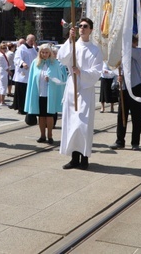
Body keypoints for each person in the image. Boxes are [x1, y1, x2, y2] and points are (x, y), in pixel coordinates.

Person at [57, 18, 103, 170]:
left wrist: (81, 72)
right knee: (71, 124)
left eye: (85, 26)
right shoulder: (73, 46)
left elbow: (97, 72)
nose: (82, 28)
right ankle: (74, 158)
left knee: (82, 125)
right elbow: (62, 58)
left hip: (85, 90)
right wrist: (69, 40)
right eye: (80, 26)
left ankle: (84, 158)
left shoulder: (96, 50)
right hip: (72, 88)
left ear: (91, 30)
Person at [24, 43, 66, 144]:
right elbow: (32, 78)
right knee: (41, 116)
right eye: (42, 52)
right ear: (40, 53)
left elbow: (60, 77)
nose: (44, 54)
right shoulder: (35, 63)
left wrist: (51, 79)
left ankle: (50, 135)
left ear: (50, 53)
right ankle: (42, 135)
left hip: (50, 94)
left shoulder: (54, 63)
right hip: (39, 93)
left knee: (49, 115)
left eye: (46, 52)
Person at [110, 35, 141, 151]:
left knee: (136, 116)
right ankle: (120, 140)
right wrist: (118, 76)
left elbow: (130, 52)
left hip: (135, 87)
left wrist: (124, 46)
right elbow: (118, 67)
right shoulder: (123, 53)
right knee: (121, 115)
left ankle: (135, 142)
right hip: (124, 87)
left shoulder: (139, 51)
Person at [12, 35, 37, 114]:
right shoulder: (21, 48)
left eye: (33, 40)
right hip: (22, 75)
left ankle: (27, 108)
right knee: (21, 93)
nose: (32, 42)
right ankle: (21, 109)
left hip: (30, 74)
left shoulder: (33, 50)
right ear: (27, 40)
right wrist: (22, 63)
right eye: (31, 40)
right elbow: (17, 58)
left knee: (27, 92)